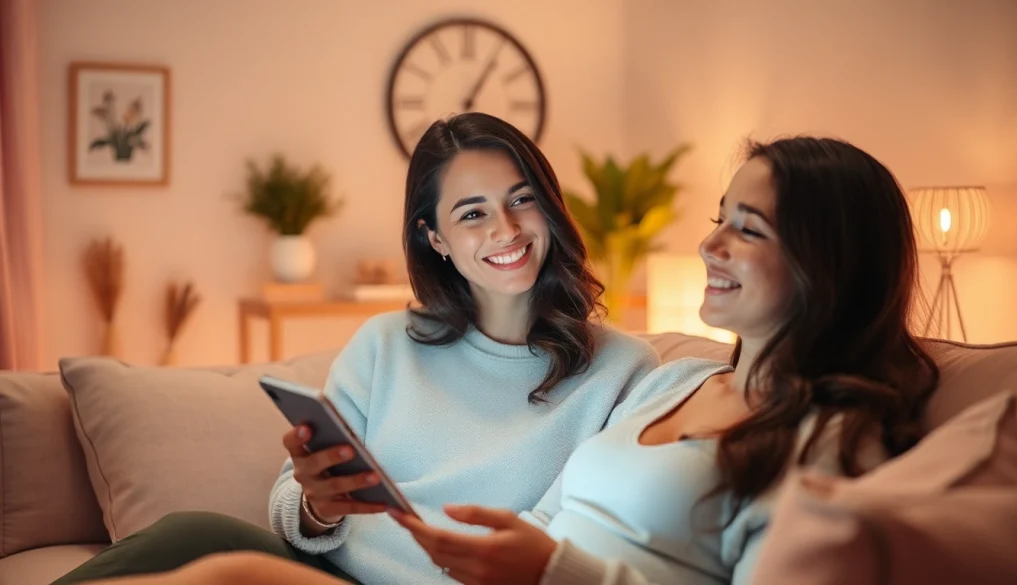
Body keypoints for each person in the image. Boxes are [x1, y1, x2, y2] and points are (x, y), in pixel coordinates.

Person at [51, 113, 663, 585]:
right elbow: (289, 506)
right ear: (436, 238)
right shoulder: (386, 342)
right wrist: (318, 504)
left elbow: (565, 541)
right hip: (323, 570)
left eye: (521, 199)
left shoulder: (623, 371)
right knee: (192, 534)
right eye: (472, 213)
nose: (504, 229)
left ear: (549, 206)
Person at [386, 135, 941, 584]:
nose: (709, 247)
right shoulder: (676, 382)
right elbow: (545, 520)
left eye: (748, 229)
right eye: (719, 221)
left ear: (828, 266)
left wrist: (553, 573)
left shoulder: (831, 442)